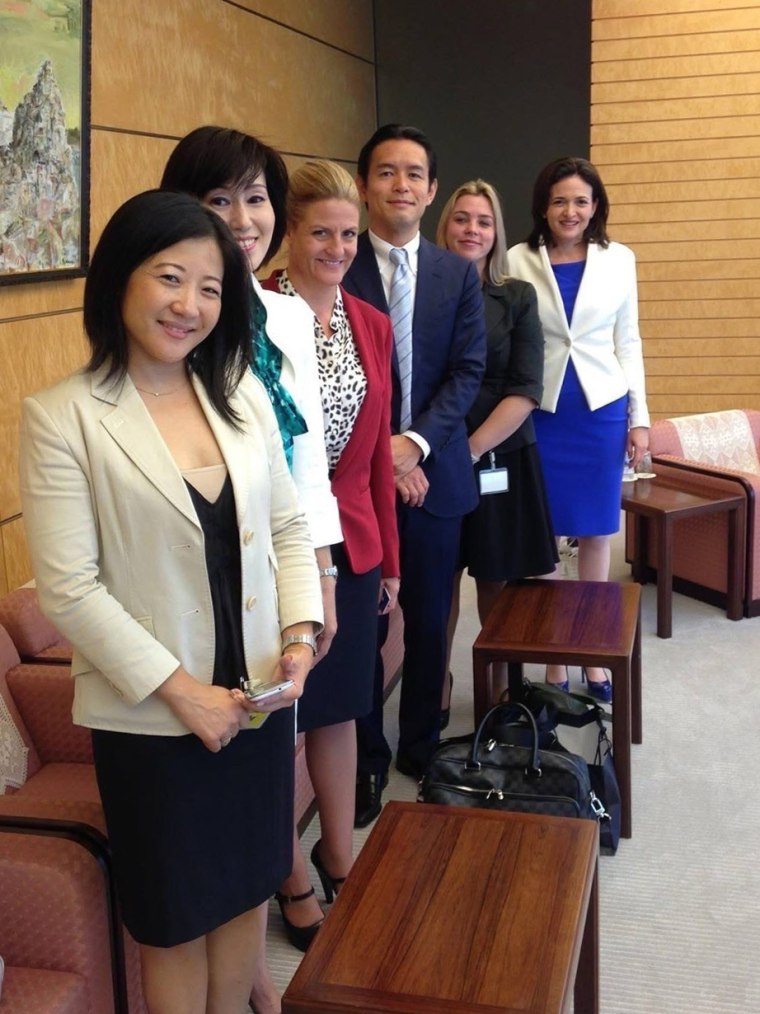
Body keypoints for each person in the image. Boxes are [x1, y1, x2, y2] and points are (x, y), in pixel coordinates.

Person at [18, 190, 323, 1014]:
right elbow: (70, 589)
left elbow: (289, 527)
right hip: (157, 722)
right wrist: (185, 696)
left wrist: (300, 632)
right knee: (176, 923)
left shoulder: (241, 396)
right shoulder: (63, 417)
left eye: (212, 287)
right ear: (120, 278)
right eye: (169, 278)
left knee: (245, 897)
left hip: (257, 704)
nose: (190, 305)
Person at [263, 159, 400, 944]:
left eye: (349, 234)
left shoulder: (368, 322)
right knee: (284, 719)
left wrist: (389, 564)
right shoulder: (256, 313)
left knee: (343, 707)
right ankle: (289, 875)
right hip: (280, 548)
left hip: (353, 543)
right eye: (322, 232)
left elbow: (377, 451)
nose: (338, 247)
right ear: (291, 229)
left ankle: (341, 853)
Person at [343, 124, 486, 826]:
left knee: (431, 622)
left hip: (436, 479)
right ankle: (366, 759)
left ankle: (420, 748)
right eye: (386, 172)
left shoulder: (459, 274)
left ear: (431, 190)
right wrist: (382, 457)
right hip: (357, 486)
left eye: (414, 174)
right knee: (363, 628)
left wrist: (414, 445)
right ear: (365, 183)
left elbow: (466, 374)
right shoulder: (339, 265)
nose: (401, 185)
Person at [160, 126, 343, 666]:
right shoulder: (171, 323)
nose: (242, 221)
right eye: (219, 200)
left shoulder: (289, 315)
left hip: (282, 554)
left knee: (282, 714)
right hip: (195, 562)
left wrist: (322, 579)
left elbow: (307, 464)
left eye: (256, 199)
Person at [509, 156, 650, 701]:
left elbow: (629, 340)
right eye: (560, 200)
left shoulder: (619, 259)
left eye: (582, 201)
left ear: (596, 208)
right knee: (543, 536)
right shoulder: (519, 259)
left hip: (600, 409)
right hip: (539, 410)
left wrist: (640, 418)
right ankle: (552, 660)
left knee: (596, 532)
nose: (571, 211)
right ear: (544, 206)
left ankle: (592, 654)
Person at [435, 179, 557, 718]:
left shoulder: (517, 296)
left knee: (496, 579)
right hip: (429, 459)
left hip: (499, 456)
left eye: (483, 221)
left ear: (496, 232)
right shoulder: (422, 292)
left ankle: (506, 693)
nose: (472, 229)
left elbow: (528, 388)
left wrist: (470, 449)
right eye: (462, 218)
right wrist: (439, 452)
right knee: (438, 584)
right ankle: (432, 684)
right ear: (445, 225)